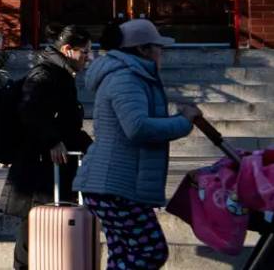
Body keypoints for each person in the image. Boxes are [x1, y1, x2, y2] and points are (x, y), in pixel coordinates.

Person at [73, 18, 203, 270]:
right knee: (150, 250)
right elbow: (138, 127)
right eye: (158, 47)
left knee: (123, 253)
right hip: (115, 186)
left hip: (113, 185)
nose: (161, 53)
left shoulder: (132, 76)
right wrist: (183, 121)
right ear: (143, 49)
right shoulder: (126, 79)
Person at [0, 25, 94, 270]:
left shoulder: (59, 74)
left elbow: (64, 122)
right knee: (33, 224)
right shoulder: (46, 74)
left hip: (48, 165)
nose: (88, 57)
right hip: (39, 167)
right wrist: (52, 140)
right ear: (67, 50)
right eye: (84, 52)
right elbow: (30, 109)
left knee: (43, 223)